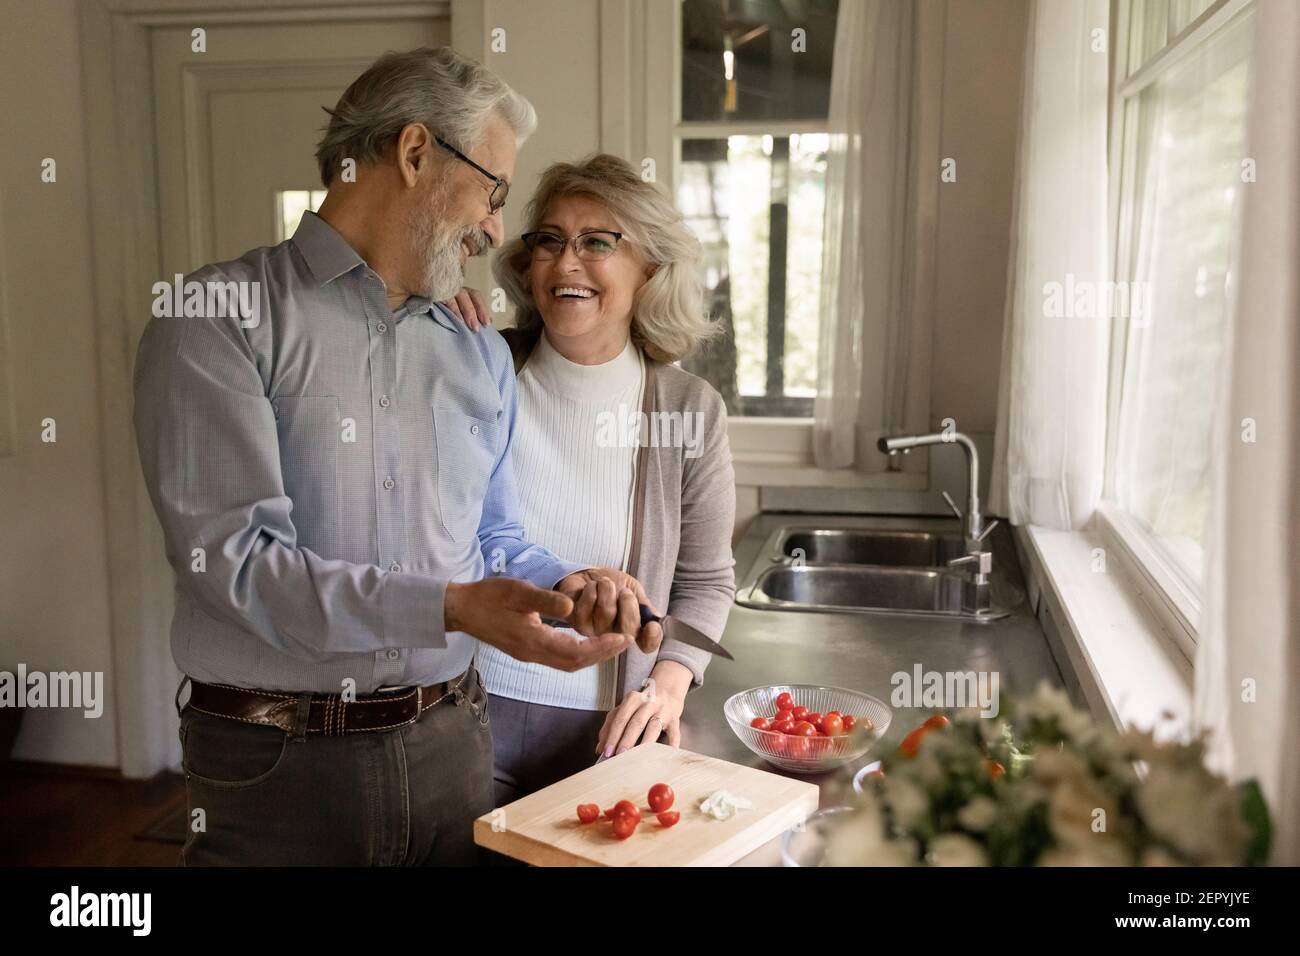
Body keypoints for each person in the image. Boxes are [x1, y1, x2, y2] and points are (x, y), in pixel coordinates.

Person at [132, 49, 656, 866]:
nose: (495, 227)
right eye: (493, 191)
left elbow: (494, 536)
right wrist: (451, 607)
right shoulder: (217, 320)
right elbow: (235, 567)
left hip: (453, 745)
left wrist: (566, 583)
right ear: (415, 153)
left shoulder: (477, 349)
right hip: (276, 766)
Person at [447, 154, 735, 806]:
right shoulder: (476, 365)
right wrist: (425, 315)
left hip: (609, 731)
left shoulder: (689, 411)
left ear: (649, 270)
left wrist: (668, 684)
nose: (565, 261)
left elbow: (708, 582)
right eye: (549, 240)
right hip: (466, 709)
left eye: (596, 242)